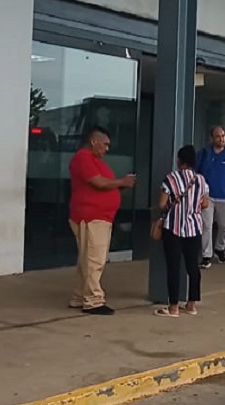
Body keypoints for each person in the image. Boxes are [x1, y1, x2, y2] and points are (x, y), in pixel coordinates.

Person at [68, 126, 136, 315]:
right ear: (94, 142)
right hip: (91, 217)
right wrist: (122, 182)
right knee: (94, 259)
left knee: (87, 259)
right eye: (105, 144)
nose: (107, 148)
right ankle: (93, 300)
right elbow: (98, 182)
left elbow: (104, 185)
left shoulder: (94, 160)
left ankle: (79, 296)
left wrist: (119, 186)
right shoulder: (84, 158)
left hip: (97, 217)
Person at [155, 145, 209, 318]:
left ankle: (173, 307)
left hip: (174, 228)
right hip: (194, 228)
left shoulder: (171, 178)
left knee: (174, 267)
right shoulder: (200, 180)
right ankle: (191, 304)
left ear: (180, 160)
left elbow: (162, 204)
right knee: (193, 266)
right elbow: (205, 204)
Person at [196, 126, 225, 268]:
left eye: (223, 136)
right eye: (218, 136)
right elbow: (196, 173)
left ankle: (220, 249)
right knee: (206, 226)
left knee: (223, 226)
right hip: (207, 196)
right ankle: (206, 255)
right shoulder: (204, 154)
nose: (221, 139)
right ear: (212, 138)